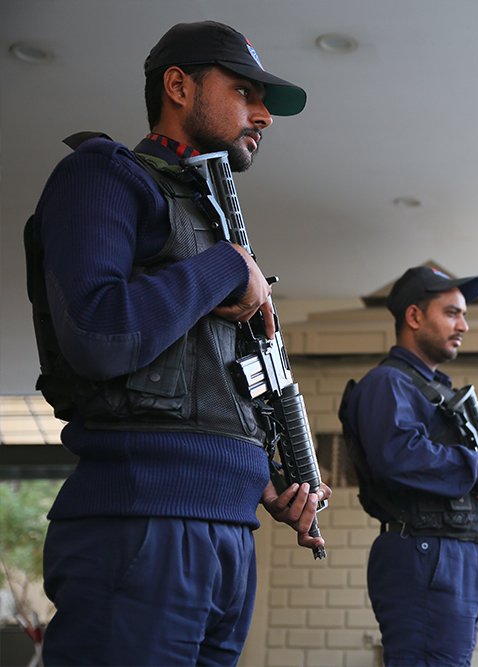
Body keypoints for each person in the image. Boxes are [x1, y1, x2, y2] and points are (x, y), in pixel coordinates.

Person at [26, 21, 330, 666]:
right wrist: (227, 266)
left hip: (227, 532)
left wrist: (256, 471)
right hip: (142, 526)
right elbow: (101, 333)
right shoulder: (103, 175)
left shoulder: (209, 219)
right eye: (245, 91)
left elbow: (201, 380)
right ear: (178, 86)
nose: (263, 115)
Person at [340, 266, 478, 666]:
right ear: (414, 317)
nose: (464, 324)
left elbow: (434, 499)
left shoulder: (426, 387)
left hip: (447, 555)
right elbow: (398, 457)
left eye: (464, 314)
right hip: (425, 557)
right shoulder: (388, 384)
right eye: (452, 313)